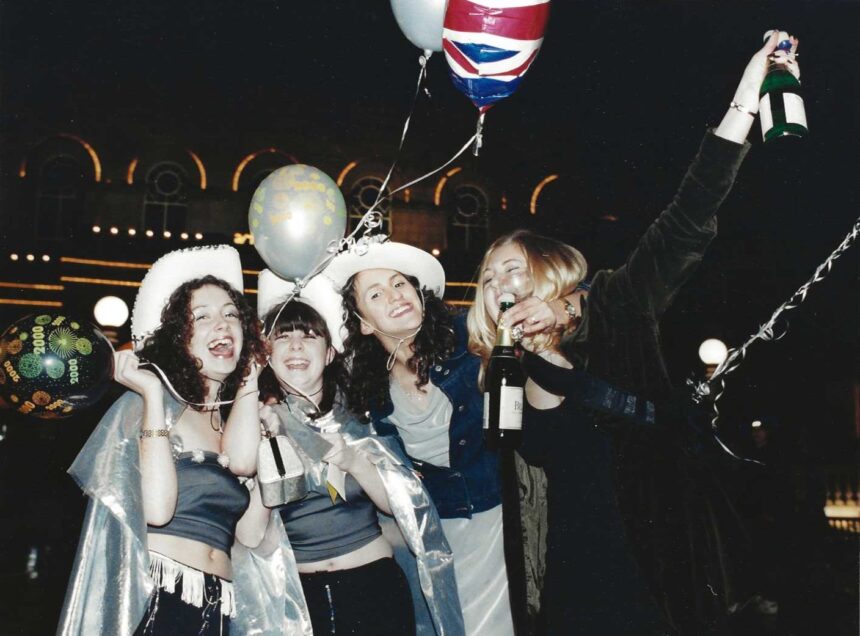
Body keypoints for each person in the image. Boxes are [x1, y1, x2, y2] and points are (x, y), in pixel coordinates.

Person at [467, 33, 794, 636]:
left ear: (549, 270)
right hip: (570, 585)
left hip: (658, 572)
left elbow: (688, 219)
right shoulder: (496, 373)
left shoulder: (617, 305)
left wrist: (747, 98)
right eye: (488, 279)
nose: (499, 282)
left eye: (513, 267)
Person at [57, 245, 271, 636]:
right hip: (160, 599)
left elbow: (251, 526)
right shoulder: (151, 406)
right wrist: (153, 396)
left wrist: (252, 379)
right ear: (179, 338)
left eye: (231, 315)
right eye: (202, 317)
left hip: (221, 605)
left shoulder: (234, 420)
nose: (222, 325)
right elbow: (156, 510)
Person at [252, 269, 463, 636]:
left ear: (331, 352)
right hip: (301, 602)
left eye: (310, 335)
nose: (297, 346)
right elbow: (250, 535)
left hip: (375, 587)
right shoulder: (254, 423)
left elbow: (397, 503)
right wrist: (265, 456)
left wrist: (353, 460)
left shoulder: (363, 414)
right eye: (283, 338)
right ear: (267, 355)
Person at [323, 238, 515, 636]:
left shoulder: (472, 335)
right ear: (362, 321)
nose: (395, 296)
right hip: (435, 537)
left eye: (400, 284)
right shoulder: (363, 388)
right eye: (376, 294)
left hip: (499, 519)